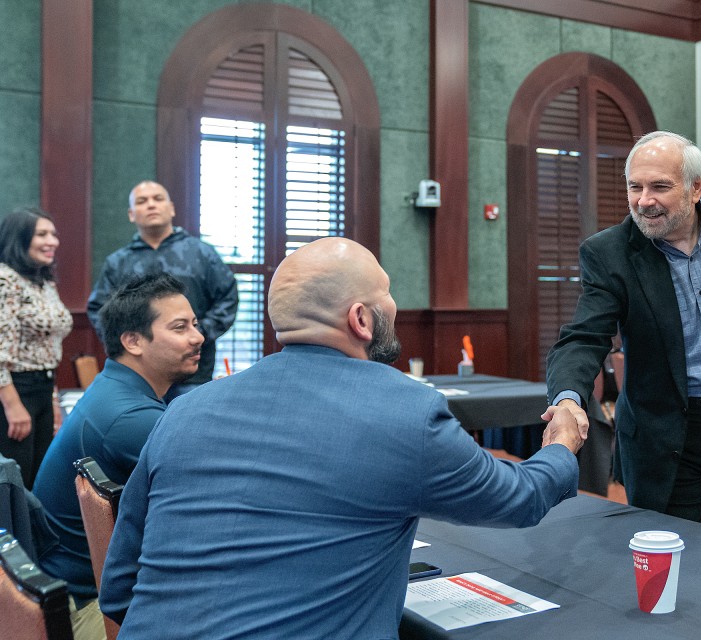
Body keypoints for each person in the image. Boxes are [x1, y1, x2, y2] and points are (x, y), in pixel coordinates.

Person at [99, 238, 585, 639]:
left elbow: (120, 589)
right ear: (361, 319)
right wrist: (561, 445)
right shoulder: (403, 410)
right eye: (388, 294)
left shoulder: (184, 411)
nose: (394, 305)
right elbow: (519, 500)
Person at [547, 131, 701, 536]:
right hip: (664, 435)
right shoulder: (609, 252)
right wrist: (567, 400)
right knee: (674, 560)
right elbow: (584, 337)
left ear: (695, 187)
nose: (644, 200)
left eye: (659, 187)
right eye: (635, 186)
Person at [33, 273, 203, 640]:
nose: (198, 337)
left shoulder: (116, 387)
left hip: (81, 585)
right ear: (133, 341)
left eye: (195, 324)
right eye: (180, 327)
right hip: (90, 606)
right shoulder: (130, 419)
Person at [86, 180, 237, 400]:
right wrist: (126, 346)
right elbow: (100, 310)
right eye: (142, 201)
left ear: (171, 208)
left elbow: (228, 298)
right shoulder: (118, 262)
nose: (151, 205)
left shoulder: (201, 254)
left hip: (193, 373)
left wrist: (197, 333)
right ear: (131, 214)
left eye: (158, 199)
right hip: (137, 375)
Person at [0, 208, 72, 489]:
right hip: (14, 391)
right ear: (19, 239)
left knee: (37, 481)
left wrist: (52, 400)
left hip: (43, 388)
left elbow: (48, 347)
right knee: (15, 483)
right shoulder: (6, 280)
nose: (52, 241)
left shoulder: (43, 281)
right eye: (42, 234)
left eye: (53, 234)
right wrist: (13, 406)